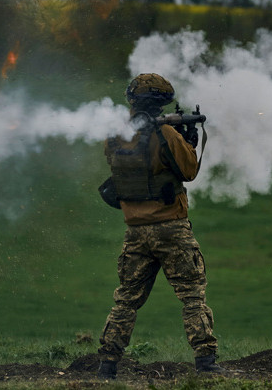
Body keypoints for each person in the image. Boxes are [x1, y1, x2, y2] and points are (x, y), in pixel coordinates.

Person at [96, 73, 225, 380]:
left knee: (126, 300)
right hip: (171, 228)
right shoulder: (165, 132)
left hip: (135, 230)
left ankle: (107, 365)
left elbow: (119, 166)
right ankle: (206, 362)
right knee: (192, 294)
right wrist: (187, 140)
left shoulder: (115, 134)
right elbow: (189, 170)